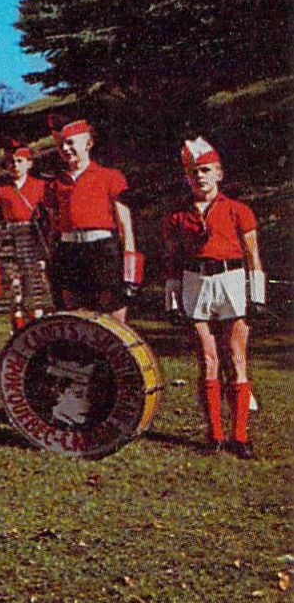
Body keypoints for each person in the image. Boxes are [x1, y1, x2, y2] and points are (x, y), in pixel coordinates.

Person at [162, 138, 265, 458]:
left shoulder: (238, 210)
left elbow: (253, 256)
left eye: (206, 170)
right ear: (186, 177)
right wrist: (172, 296)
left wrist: (257, 295)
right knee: (208, 360)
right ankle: (216, 436)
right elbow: (172, 259)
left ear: (219, 173)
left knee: (236, 358)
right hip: (196, 282)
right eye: (193, 172)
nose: (200, 177)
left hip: (232, 280)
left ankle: (240, 436)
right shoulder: (177, 217)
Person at [42, 119, 139, 321]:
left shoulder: (110, 177)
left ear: (88, 144)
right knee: (75, 317)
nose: (65, 149)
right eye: (61, 145)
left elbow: (125, 227)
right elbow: (53, 228)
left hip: (103, 250)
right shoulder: (56, 184)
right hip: (69, 253)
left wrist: (130, 270)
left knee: (113, 318)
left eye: (70, 143)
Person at [0, 141, 51, 330]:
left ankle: (36, 332)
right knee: (14, 290)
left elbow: (48, 219)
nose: (15, 166)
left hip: (33, 239)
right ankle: (18, 331)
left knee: (35, 289)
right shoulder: (1, 190)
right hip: (9, 240)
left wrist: (44, 250)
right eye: (11, 162)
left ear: (29, 163)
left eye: (19, 161)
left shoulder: (40, 186)